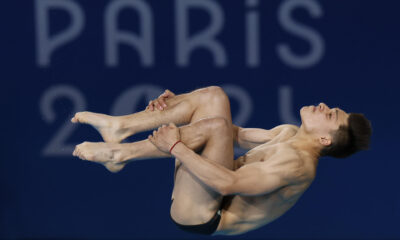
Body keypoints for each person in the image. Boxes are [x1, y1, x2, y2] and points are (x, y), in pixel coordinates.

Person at [71, 86, 372, 236]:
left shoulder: (297, 166)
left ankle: (119, 153)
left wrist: (175, 145)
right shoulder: (287, 133)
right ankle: (119, 127)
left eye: (330, 114)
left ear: (325, 140)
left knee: (214, 126)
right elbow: (234, 133)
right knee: (214, 97)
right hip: (206, 185)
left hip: (203, 213)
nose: (323, 106)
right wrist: (179, 108)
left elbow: (229, 183)